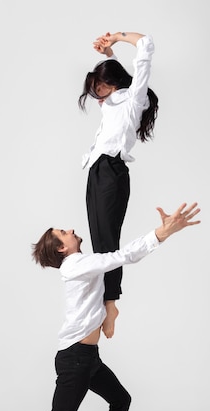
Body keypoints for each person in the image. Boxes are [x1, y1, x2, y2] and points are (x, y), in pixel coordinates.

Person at [29, 202, 201, 411]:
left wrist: (110, 308)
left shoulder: (83, 262)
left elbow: (111, 269)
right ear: (61, 249)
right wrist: (163, 233)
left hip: (88, 357)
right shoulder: (76, 265)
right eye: (62, 233)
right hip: (74, 360)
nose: (69, 230)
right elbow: (123, 257)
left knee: (121, 399)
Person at [78, 30, 159, 339]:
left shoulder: (132, 99)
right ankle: (103, 301)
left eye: (99, 86)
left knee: (108, 242)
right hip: (95, 171)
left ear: (112, 84)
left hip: (112, 172)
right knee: (99, 242)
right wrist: (108, 57)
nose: (96, 93)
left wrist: (117, 38)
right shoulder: (110, 101)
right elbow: (114, 80)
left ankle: (111, 304)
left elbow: (145, 46)